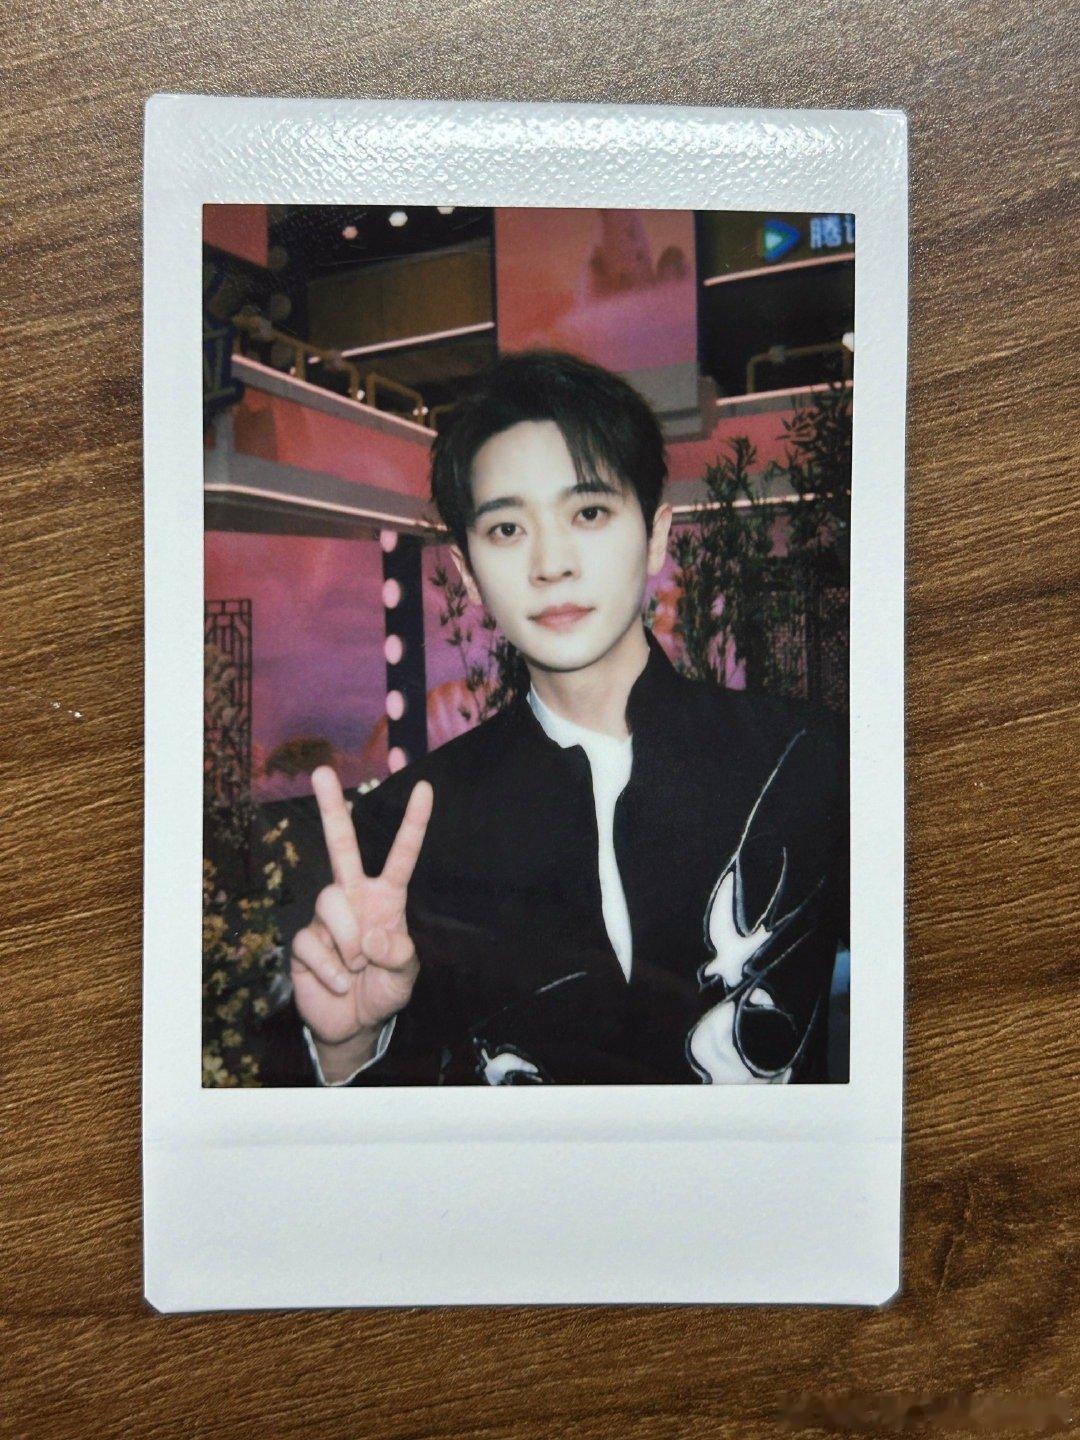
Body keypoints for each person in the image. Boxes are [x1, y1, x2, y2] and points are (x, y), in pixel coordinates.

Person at [258, 350, 848, 1086]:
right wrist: (349, 1049)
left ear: (656, 535)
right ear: (469, 574)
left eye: (589, 513)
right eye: (507, 529)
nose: (551, 563)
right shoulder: (408, 831)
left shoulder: (808, 764)